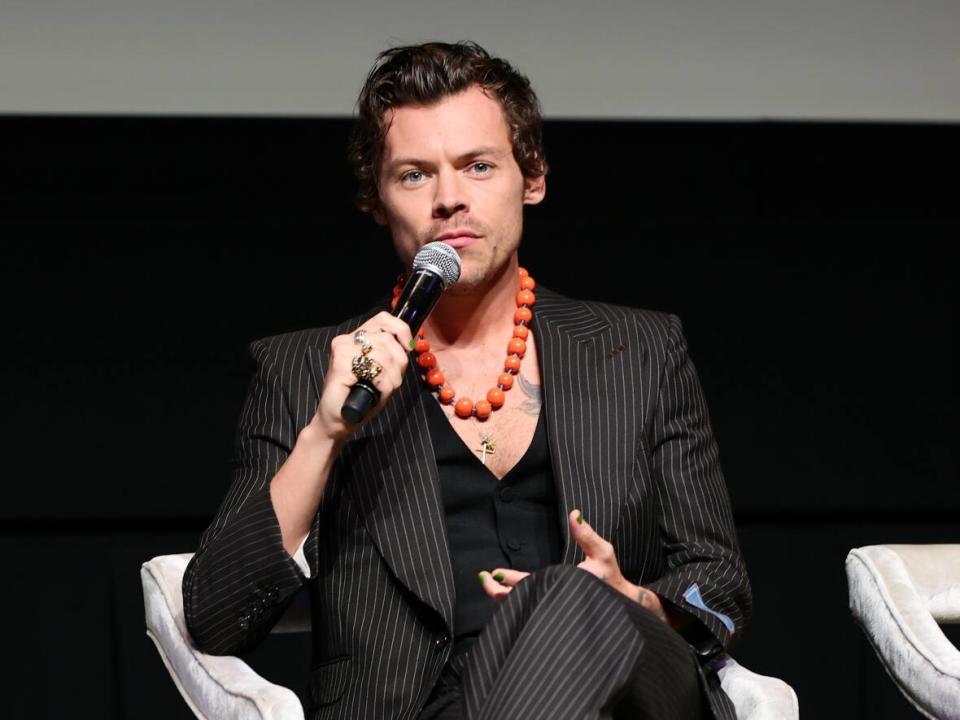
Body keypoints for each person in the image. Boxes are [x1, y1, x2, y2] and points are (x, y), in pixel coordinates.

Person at [183, 41, 752, 720]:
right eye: (415, 176)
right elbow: (216, 618)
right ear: (377, 203)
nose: (450, 199)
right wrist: (325, 432)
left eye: (478, 166)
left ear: (531, 177)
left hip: (627, 693)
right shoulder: (308, 369)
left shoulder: (641, 349)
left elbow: (718, 592)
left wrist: (626, 597)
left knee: (567, 595)